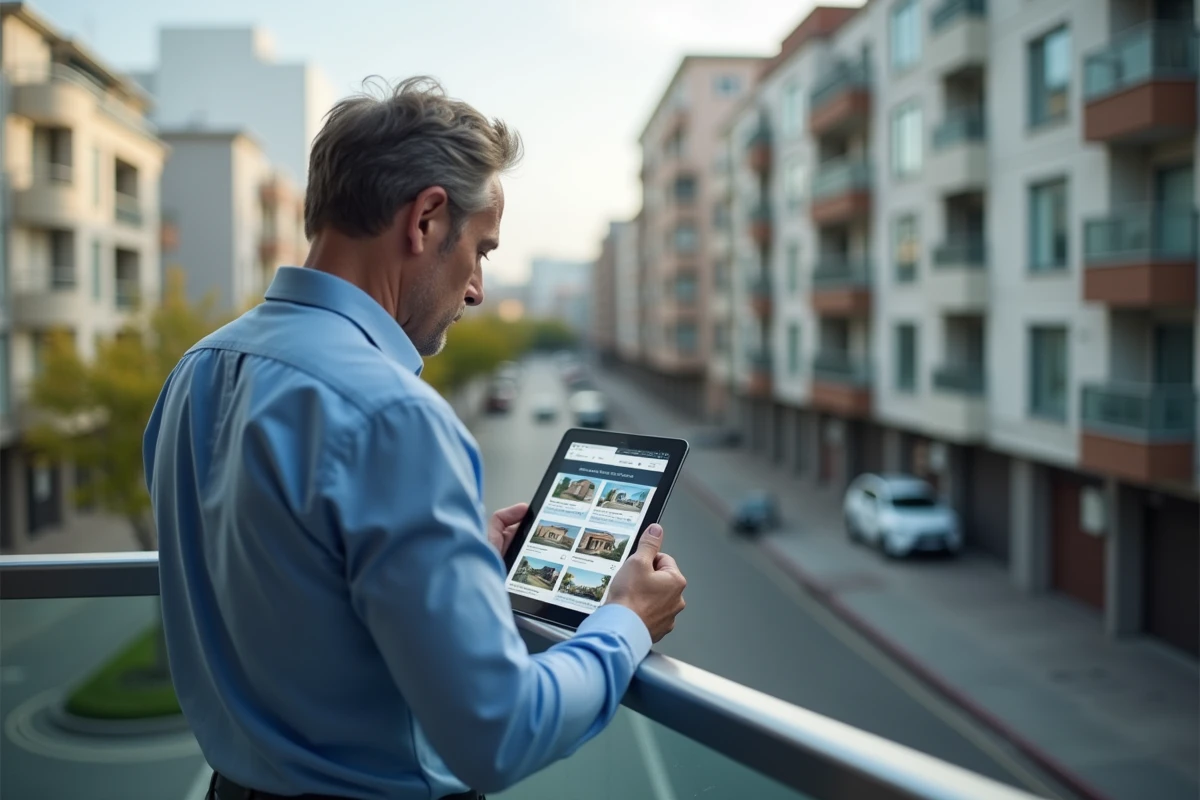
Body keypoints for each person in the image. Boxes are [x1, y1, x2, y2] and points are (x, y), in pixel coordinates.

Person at [142, 77, 688, 800]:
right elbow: (502, 733)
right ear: (427, 219)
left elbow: (288, 599)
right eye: (482, 251)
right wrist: (626, 622)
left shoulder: (196, 371)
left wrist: (456, 570)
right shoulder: (394, 416)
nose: (477, 291)